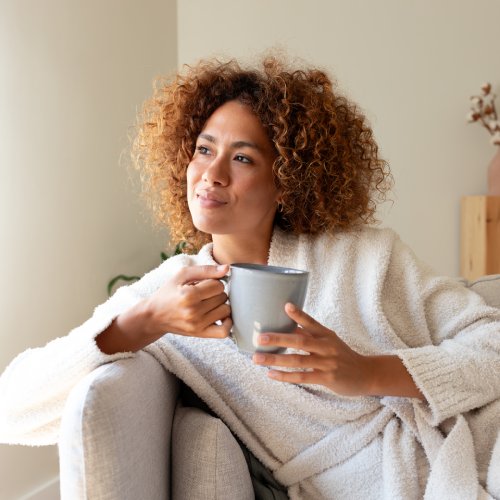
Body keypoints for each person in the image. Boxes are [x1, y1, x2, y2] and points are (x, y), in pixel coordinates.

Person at [1, 55, 500, 499]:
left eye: (242, 158)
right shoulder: (173, 294)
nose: (211, 173)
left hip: (473, 445)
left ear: (287, 181)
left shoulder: (363, 256)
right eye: (203, 149)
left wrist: (368, 372)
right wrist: (143, 321)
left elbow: (492, 343)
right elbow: (12, 408)